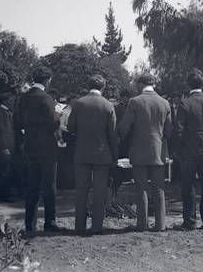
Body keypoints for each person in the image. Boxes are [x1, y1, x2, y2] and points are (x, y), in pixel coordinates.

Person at [117, 74, 172, 232]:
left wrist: (121, 137)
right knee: (159, 188)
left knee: (141, 188)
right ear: (154, 84)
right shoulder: (164, 103)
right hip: (158, 150)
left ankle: (142, 224)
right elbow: (169, 130)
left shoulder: (135, 101)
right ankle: (161, 224)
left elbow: (124, 127)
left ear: (140, 84)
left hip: (139, 150)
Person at [67, 75, 118, 236]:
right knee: (99, 190)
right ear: (103, 88)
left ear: (88, 85)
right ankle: (97, 226)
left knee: (81, 190)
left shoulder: (78, 103)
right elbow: (113, 134)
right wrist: (114, 156)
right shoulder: (108, 105)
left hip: (81, 153)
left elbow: (71, 127)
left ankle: (79, 226)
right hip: (102, 154)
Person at [17, 66, 63, 233]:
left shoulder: (23, 98)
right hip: (47, 149)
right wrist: (58, 114)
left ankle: (30, 224)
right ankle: (49, 222)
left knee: (32, 187)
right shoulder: (47, 98)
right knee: (49, 188)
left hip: (30, 147)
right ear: (47, 80)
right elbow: (53, 124)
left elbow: (20, 123)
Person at [174, 69, 203, 230]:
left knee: (189, 186)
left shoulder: (185, 103)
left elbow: (178, 130)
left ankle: (190, 221)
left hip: (189, 151)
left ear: (188, 84)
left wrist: (178, 149)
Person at [0, 92, 17, 202]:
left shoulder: (7, 113)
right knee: (4, 172)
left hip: (10, 147)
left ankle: (7, 194)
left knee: (8, 171)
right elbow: (0, 133)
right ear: (4, 101)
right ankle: (3, 196)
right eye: (11, 101)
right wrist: (4, 148)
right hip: (4, 148)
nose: (13, 103)